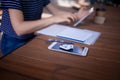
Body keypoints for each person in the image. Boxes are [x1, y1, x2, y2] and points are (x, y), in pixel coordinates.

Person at [0, 0, 89, 58]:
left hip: (32, 37)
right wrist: (53, 19)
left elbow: (57, 12)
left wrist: (77, 16)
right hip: (13, 42)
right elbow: (20, 29)